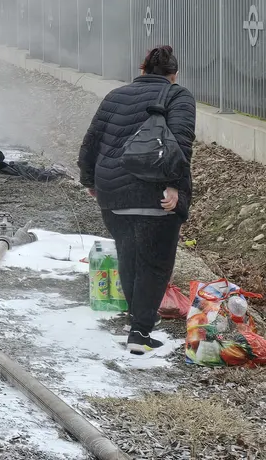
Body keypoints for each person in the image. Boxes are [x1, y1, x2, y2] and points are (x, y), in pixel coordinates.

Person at [77, 46, 196, 355]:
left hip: (113, 193)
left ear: (142, 71)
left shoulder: (116, 96)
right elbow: (181, 143)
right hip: (155, 195)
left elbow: (91, 142)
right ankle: (140, 334)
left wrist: (91, 182)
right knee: (155, 266)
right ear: (174, 75)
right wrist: (174, 187)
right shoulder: (178, 96)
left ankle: (136, 324)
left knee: (129, 257)